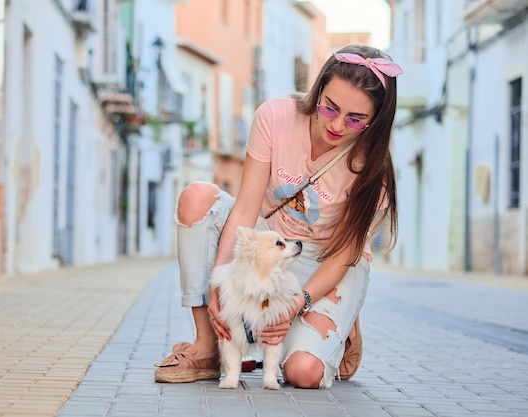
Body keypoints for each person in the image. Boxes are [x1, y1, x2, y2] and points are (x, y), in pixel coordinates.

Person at [154, 44, 402, 389]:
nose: (338, 125)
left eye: (356, 119)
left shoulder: (375, 171)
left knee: (303, 373)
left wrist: (296, 305)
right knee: (197, 197)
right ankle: (209, 347)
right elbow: (245, 208)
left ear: (375, 121)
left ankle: (340, 326)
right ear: (318, 91)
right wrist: (219, 282)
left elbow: (345, 253)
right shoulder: (276, 116)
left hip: (327, 260)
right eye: (330, 108)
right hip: (272, 241)